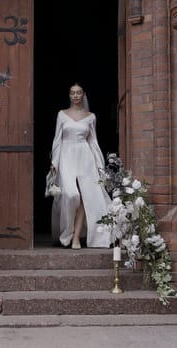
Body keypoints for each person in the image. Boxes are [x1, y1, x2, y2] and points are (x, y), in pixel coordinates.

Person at [49, 83, 112, 249]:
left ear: (83, 95)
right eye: (72, 93)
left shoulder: (91, 116)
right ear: (69, 95)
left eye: (78, 93)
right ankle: (67, 232)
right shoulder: (62, 115)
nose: (75, 95)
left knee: (85, 196)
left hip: (85, 157)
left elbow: (93, 141)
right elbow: (57, 139)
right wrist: (54, 161)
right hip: (66, 156)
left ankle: (76, 237)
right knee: (71, 195)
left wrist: (99, 165)